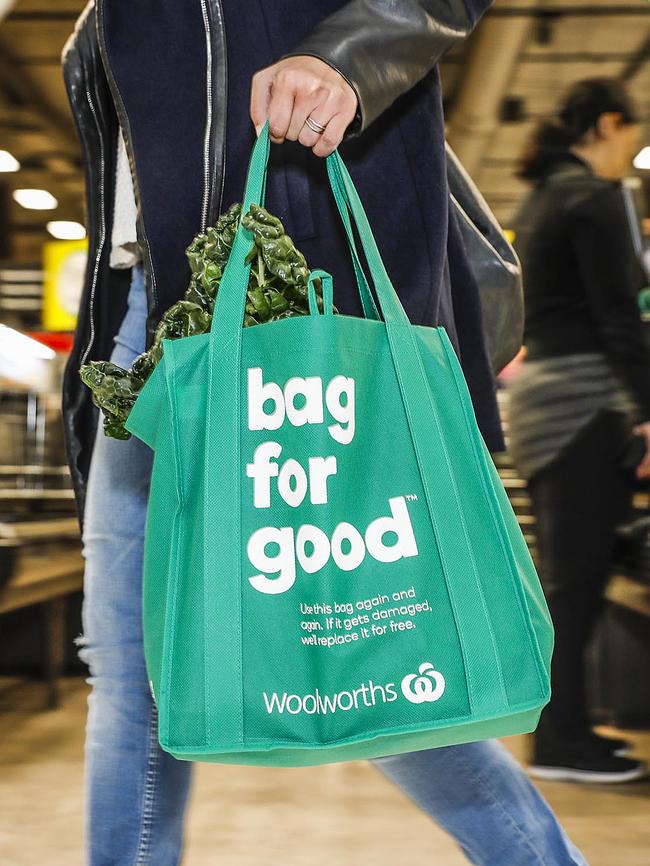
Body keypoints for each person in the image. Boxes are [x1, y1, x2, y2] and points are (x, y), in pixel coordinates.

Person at [62, 2, 587, 864]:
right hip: (150, 322)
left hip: (300, 295)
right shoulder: (98, 23)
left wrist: (345, 55)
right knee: (133, 668)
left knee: (371, 658)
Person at [509, 78, 649, 784]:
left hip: (543, 406)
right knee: (577, 586)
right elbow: (620, 318)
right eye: (630, 138)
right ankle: (563, 745)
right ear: (609, 124)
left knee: (568, 584)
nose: (630, 154)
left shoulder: (539, 200)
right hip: (582, 405)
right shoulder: (591, 198)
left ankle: (566, 735)